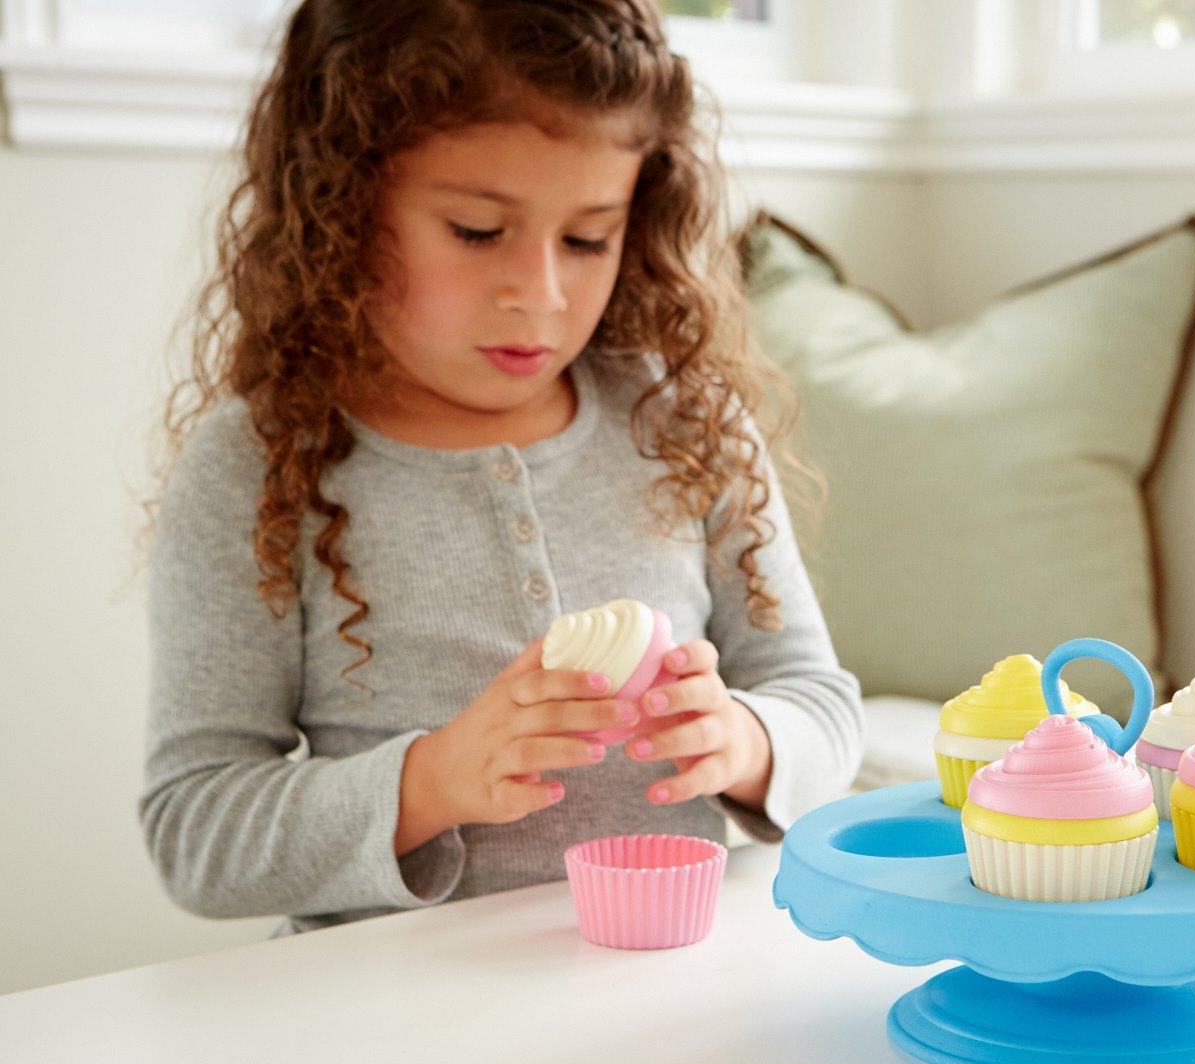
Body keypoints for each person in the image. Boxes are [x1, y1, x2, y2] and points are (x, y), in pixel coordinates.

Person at [136, 0, 863, 934]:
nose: (542, 296)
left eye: (589, 237)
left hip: (660, 995)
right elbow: (198, 831)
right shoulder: (259, 466)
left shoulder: (686, 422)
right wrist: (434, 779)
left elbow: (822, 707)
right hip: (388, 1017)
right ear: (343, 205)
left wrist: (749, 741)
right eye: (479, 231)